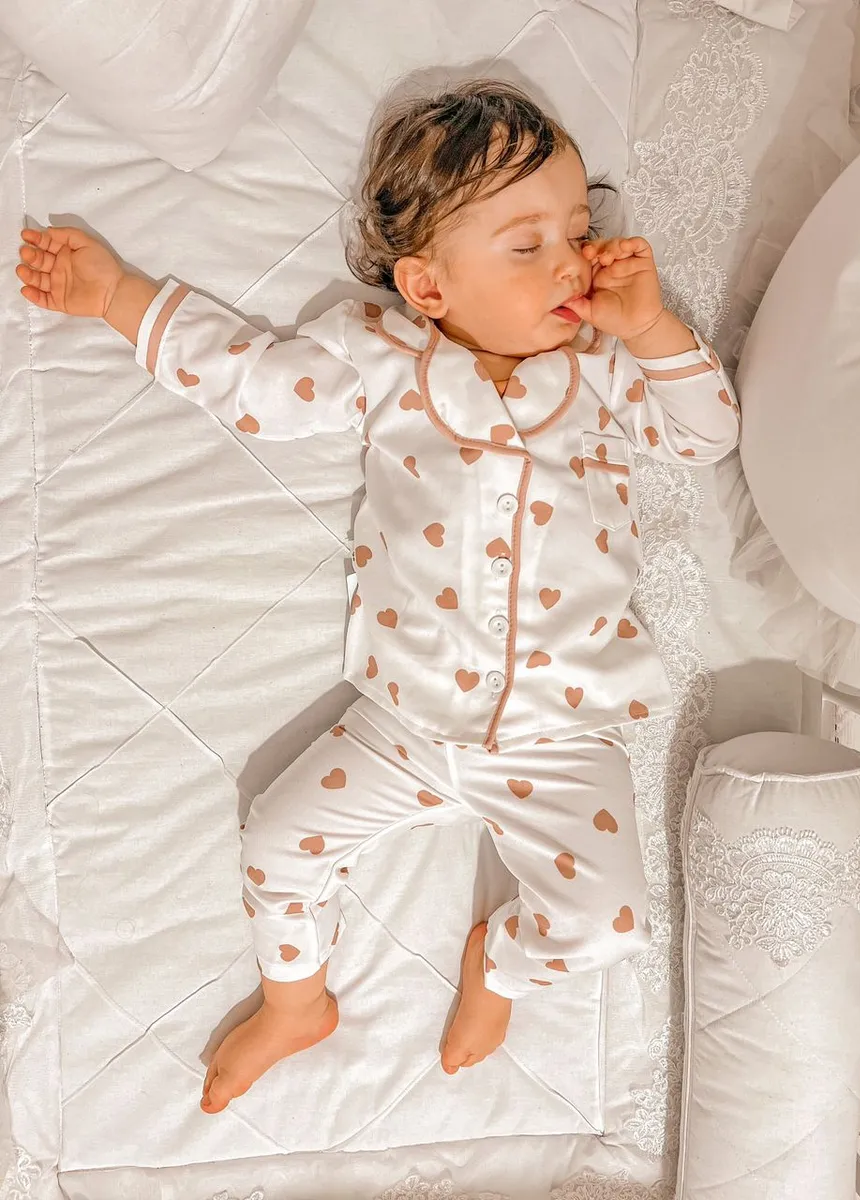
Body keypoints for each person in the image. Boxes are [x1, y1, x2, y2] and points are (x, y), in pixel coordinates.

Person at [16, 80, 740, 1116]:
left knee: (608, 925)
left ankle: (499, 963)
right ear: (428, 285)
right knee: (274, 843)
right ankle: (297, 1002)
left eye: (578, 232)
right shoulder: (386, 359)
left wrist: (655, 326)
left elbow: (707, 436)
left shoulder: (605, 372)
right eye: (526, 244)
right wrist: (116, 295)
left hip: (560, 735)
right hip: (406, 719)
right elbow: (254, 384)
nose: (571, 263)